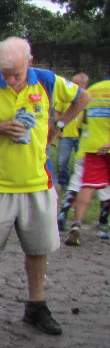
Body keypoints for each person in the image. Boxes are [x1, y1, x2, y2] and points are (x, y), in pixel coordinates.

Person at [0, 37, 89, 335]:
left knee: (38, 247)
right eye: (5, 74)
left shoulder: (48, 82)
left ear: (30, 62)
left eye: (16, 74)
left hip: (38, 181)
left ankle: (36, 305)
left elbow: (83, 97)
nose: (10, 80)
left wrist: (59, 125)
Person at [64, 74, 110, 246]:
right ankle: (103, 223)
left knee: (88, 185)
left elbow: (82, 121)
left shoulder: (93, 90)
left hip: (93, 145)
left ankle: (76, 224)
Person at [56, 73, 89, 190]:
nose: (73, 85)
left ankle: (82, 184)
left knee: (83, 162)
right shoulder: (66, 96)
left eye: (76, 83)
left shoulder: (89, 98)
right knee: (62, 161)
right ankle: (64, 183)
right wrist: (58, 128)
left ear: (84, 85)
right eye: (73, 82)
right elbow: (57, 112)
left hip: (82, 135)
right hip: (66, 134)